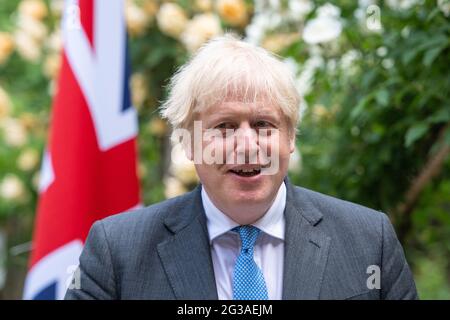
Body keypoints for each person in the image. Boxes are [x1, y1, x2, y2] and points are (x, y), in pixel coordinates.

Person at [65, 34, 418, 300]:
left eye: (264, 124)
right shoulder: (118, 253)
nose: (248, 146)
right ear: (188, 141)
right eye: (225, 127)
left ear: (290, 137)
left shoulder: (369, 241)